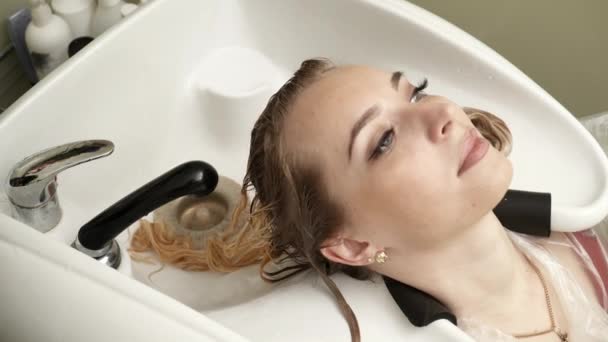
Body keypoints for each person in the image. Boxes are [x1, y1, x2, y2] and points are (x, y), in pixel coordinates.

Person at [207, 58, 608, 341]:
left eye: (415, 96)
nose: (445, 113)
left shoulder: (590, 202)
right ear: (353, 245)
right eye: (384, 141)